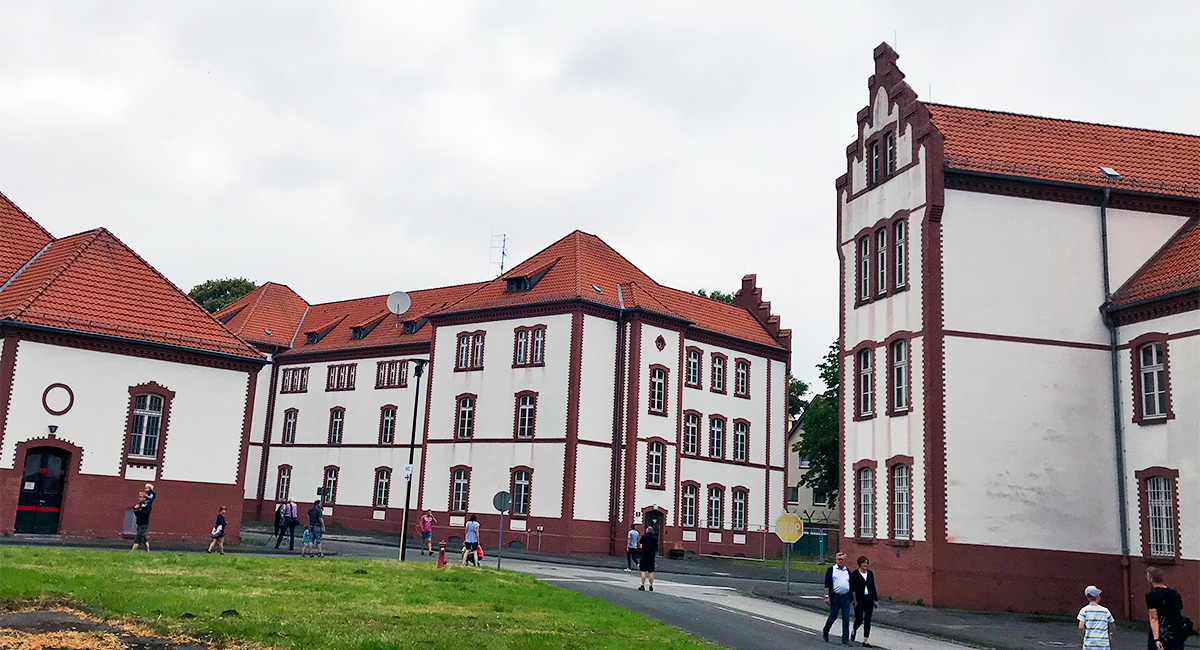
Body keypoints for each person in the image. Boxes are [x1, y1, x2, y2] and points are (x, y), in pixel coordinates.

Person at [1146, 567, 1190, 650]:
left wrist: (1156, 639)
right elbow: (1179, 610)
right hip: (1176, 632)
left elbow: (1154, 618)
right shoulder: (1174, 593)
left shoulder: (1152, 595)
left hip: (1162, 632)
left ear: (1151, 579)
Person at [823, 552, 853, 645]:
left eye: (842, 559)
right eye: (839, 559)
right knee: (833, 616)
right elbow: (827, 584)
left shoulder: (847, 571)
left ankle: (845, 639)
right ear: (836, 560)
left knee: (846, 618)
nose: (840, 561)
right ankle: (826, 630)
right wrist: (827, 596)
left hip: (845, 597)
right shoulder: (831, 570)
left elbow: (851, 585)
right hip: (835, 597)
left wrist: (853, 598)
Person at [849, 556, 878, 646]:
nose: (865, 565)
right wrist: (853, 600)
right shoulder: (855, 574)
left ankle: (865, 640)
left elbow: (873, 587)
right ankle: (854, 629)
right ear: (860, 564)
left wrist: (875, 599)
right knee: (859, 619)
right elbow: (852, 588)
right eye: (864, 563)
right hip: (859, 600)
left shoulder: (870, 574)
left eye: (866, 563)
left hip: (868, 599)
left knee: (868, 620)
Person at [1078, 585, 1115, 650]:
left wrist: (1085, 635)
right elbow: (1112, 625)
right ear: (1098, 596)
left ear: (1087, 597)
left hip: (1089, 644)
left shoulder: (1084, 610)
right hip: (1103, 644)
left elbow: (1080, 627)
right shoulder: (1105, 611)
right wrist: (1111, 633)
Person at [637, 525, 658, 591]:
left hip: (644, 555)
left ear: (647, 531)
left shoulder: (644, 537)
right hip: (652, 556)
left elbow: (640, 544)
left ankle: (642, 585)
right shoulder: (655, 538)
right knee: (651, 571)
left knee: (643, 571)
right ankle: (651, 586)